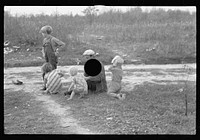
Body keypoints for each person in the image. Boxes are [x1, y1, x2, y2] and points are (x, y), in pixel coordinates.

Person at [39, 25, 65, 90]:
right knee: (45, 71)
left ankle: (54, 85)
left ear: (45, 33)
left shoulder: (53, 39)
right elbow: (43, 47)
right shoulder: (44, 40)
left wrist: (57, 51)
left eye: (42, 33)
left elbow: (62, 44)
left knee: (53, 72)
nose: (42, 34)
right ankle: (45, 86)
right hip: (47, 58)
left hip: (52, 58)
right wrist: (43, 53)